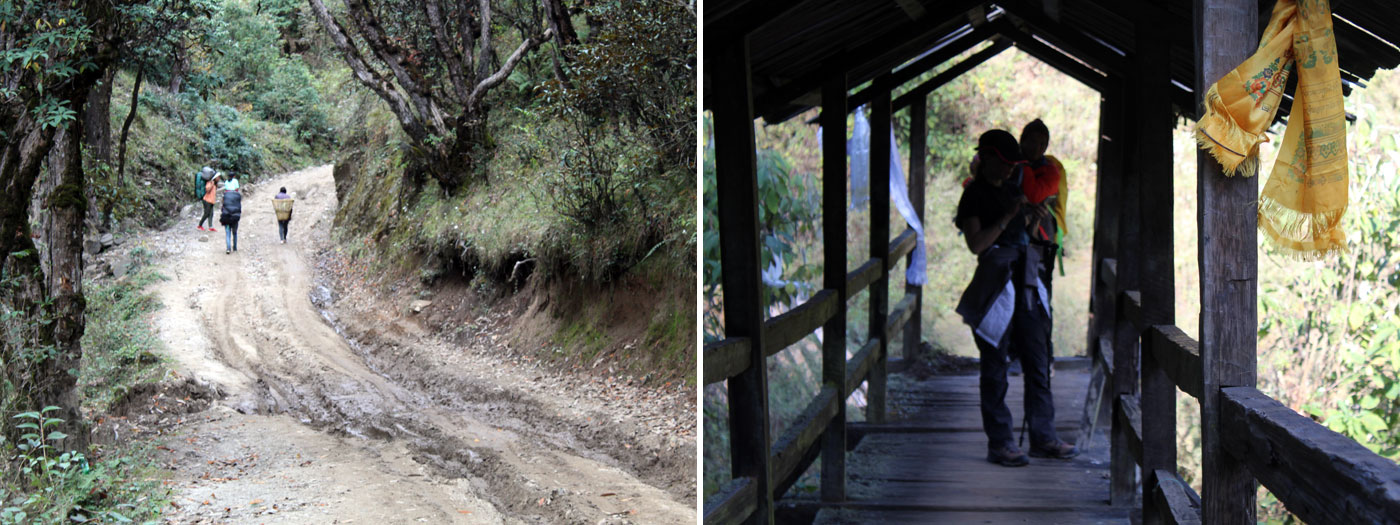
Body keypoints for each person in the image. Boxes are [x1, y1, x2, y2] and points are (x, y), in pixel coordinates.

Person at [954, 129, 1077, 467]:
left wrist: (1029, 219)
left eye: (1014, 165)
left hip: (1026, 282)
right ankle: (1001, 443)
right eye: (1005, 164)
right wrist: (1009, 217)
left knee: (1038, 360)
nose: (1010, 171)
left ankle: (1044, 437)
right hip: (995, 288)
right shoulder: (973, 196)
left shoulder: (1012, 190)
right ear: (988, 158)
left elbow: (1017, 233)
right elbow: (977, 244)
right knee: (995, 369)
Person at [220, 185, 242, 254]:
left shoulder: (225, 197)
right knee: (234, 233)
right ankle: (235, 247)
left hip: (227, 217)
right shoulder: (238, 196)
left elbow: (222, 208)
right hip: (235, 217)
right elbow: (240, 208)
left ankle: (228, 248)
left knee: (227, 233)